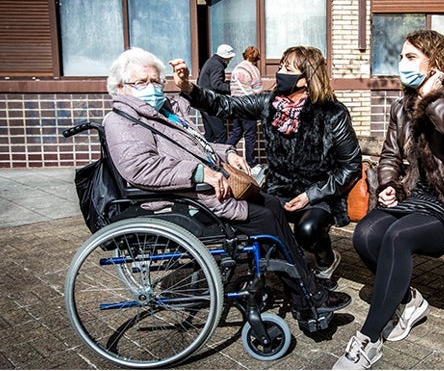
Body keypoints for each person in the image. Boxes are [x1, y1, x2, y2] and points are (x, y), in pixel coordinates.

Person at [102, 47, 351, 332]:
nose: (152, 88)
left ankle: (305, 290)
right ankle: (308, 297)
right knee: (268, 218)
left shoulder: (159, 113)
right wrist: (198, 170)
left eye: (155, 82)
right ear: (121, 87)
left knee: (269, 205)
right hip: (185, 198)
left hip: (252, 190)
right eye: (141, 83)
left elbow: (195, 148)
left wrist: (227, 152)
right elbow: (141, 168)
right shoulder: (123, 120)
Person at [332, 30, 444, 369]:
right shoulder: (401, 106)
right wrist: (387, 183)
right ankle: (409, 300)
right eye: (401, 57)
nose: (402, 64)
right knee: (366, 235)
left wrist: (433, 99)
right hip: (419, 198)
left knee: (398, 237)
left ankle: (367, 341)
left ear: (435, 64)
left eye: (411, 57)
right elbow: (389, 154)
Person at [170, 46, 362, 290]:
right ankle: (294, 271)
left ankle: (327, 261)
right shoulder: (268, 103)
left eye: (287, 69)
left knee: (307, 229)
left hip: (319, 191)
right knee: (253, 220)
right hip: (278, 187)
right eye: (280, 66)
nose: (279, 73)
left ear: (305, 79)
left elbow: (350, 166)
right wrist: (188, 87)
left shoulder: (333, 113)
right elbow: (224, 105)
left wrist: (310, 195)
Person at [225, 45, 264, 174]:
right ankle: (251, 163)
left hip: (236, 104)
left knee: (237, 132)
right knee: (250, 135)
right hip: (248, 105)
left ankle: (223, 153)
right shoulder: (253, 70)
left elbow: (232, 87)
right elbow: (257, 91)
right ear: (256, 58)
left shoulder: (236, 69)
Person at [196, 43, 234, 143]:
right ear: (225, 57)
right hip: (210, 103)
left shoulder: (211, 62)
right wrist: (232, 88)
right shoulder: (217, 65)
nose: (230, 60)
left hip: (202, 101)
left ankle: (203, 156)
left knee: (209, 135)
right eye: (230, 58)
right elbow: (216, 84)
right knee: (220, 134)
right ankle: (221, 157)